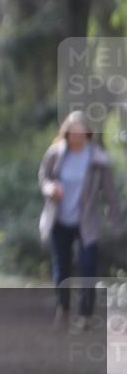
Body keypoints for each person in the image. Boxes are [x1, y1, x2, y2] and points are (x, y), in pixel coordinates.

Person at [39, 111, 122, 331]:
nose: (77, 138)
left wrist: (116, 222)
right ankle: (63, 308)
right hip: (60, 219)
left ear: (88, 134)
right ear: (66, 134)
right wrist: (50, 189)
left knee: (88, 266)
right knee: (62, 266)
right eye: (72, 133)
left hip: (87, 221)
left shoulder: (98, 159)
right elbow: (44, 178)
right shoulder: (55, 154)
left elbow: (111, 193)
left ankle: (85, 314)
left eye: (81, 133)